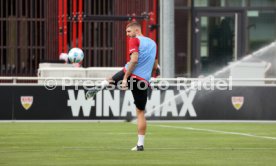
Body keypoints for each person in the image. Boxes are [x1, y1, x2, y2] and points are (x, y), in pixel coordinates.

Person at [86, 21, 158, 151]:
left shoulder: (135, 40)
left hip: (130, 74)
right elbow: (155, 65)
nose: (127, 35)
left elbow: (134, 60)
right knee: (140, 112)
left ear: (137, 31)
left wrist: (125, 78)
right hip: (143, 81)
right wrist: (151, 76)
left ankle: (101, 86)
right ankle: (140, 145)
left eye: (128, 31)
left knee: (113, 78)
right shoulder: (153, 43)